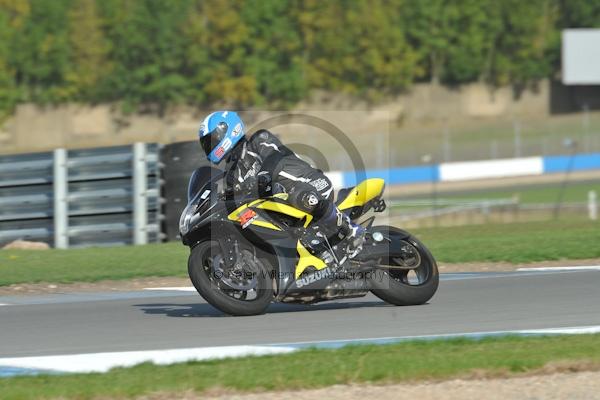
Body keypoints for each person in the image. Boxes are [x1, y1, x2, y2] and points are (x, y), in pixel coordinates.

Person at [198, 110, 365, 260]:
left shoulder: (258, 139)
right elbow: (236, 198)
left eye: (211, 141)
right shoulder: (231, 175)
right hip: (282, 210)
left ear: (226, 131)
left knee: (300, 196)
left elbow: (274, 156)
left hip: (310, 184)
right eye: (206, 144)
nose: (209, 147)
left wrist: (264, 174)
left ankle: (349, 229)